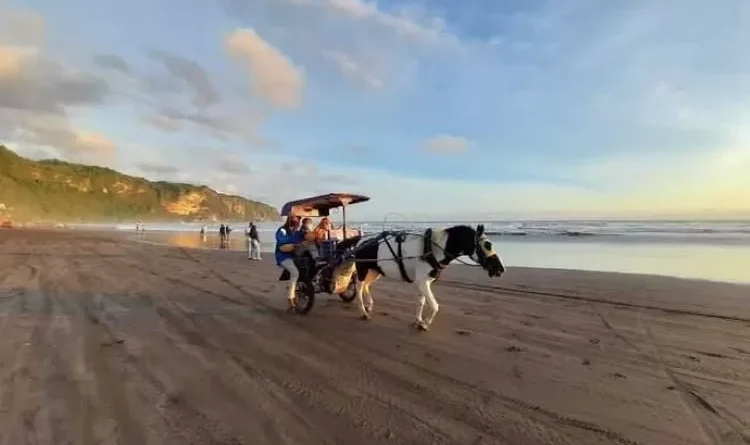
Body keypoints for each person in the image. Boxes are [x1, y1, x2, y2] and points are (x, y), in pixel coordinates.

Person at [275, 216, 304, 309]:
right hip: (283, 256)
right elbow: (281, 242)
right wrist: (294, 245)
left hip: (296, 256)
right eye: (294, 220)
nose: (296, 221)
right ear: (289, 220)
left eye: (298, 220)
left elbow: (307, 236)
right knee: (295, 272)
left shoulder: (298, 232)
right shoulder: (283, 230)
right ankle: (290, 297)